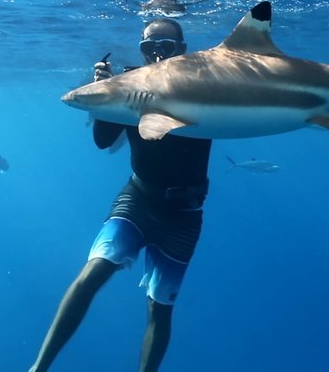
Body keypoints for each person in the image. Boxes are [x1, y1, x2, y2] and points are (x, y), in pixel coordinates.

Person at [29, 18, 212, 372]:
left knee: (160, 306)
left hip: (184, 212)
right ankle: (38, 368)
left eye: (167, 47)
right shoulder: (127, 85)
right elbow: (102, 142)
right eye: (149, 47)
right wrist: (104, 96)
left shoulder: (206, 85)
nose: (157, 54)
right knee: (93, 272)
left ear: (183, 50)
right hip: (138, 198)